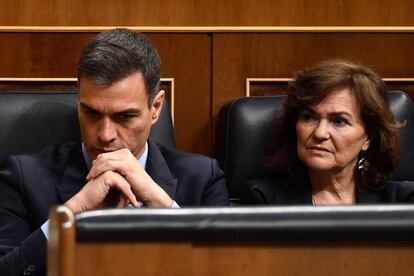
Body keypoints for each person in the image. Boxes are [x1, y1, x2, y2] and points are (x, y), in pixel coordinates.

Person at [0, 28, 229, 276]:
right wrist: (73, 212)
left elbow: (232, 269)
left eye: (125, 116)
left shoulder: (203, 178)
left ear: (155, 107)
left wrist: (162, 205)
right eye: (91, 113)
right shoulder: (23, 177)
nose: (105, 134)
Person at [241, 59, 414, 205]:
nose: (320, 133)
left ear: (369, 137)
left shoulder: (402, 201)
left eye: (339, 121)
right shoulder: (263, 199)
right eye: (309, 117)